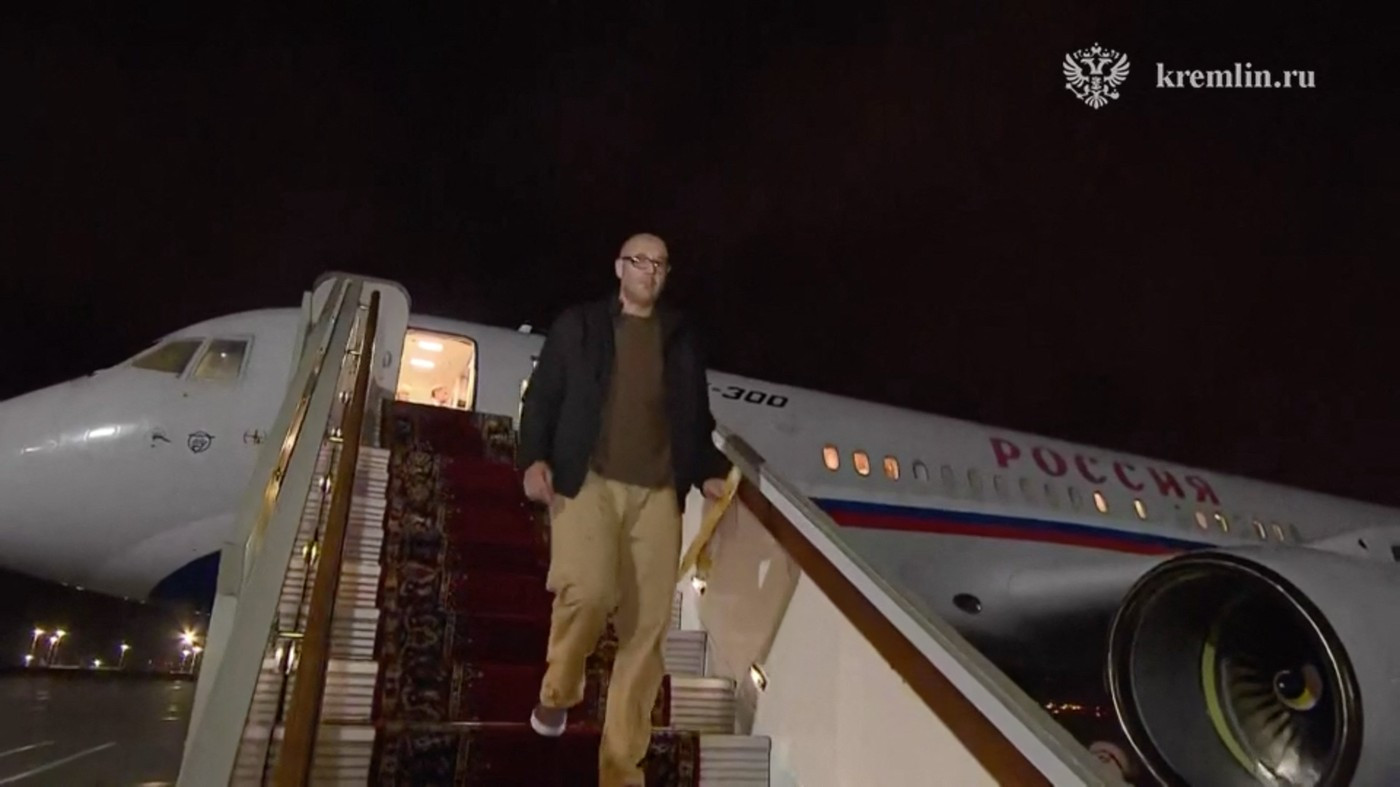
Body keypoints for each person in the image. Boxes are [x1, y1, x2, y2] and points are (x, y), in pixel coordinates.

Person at [516, 232, 731, 787]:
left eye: (660, 264)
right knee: (588, 593)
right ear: (619, 268)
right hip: (588, 481)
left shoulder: (680, 338)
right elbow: (542, 397)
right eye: (640, 261)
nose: (650, 271)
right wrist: (533, 458)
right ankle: (558, 691)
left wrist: (708, 470)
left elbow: (696, 418)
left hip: (657, 494)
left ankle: (620, 769)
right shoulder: (580, 326)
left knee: (647, 629)